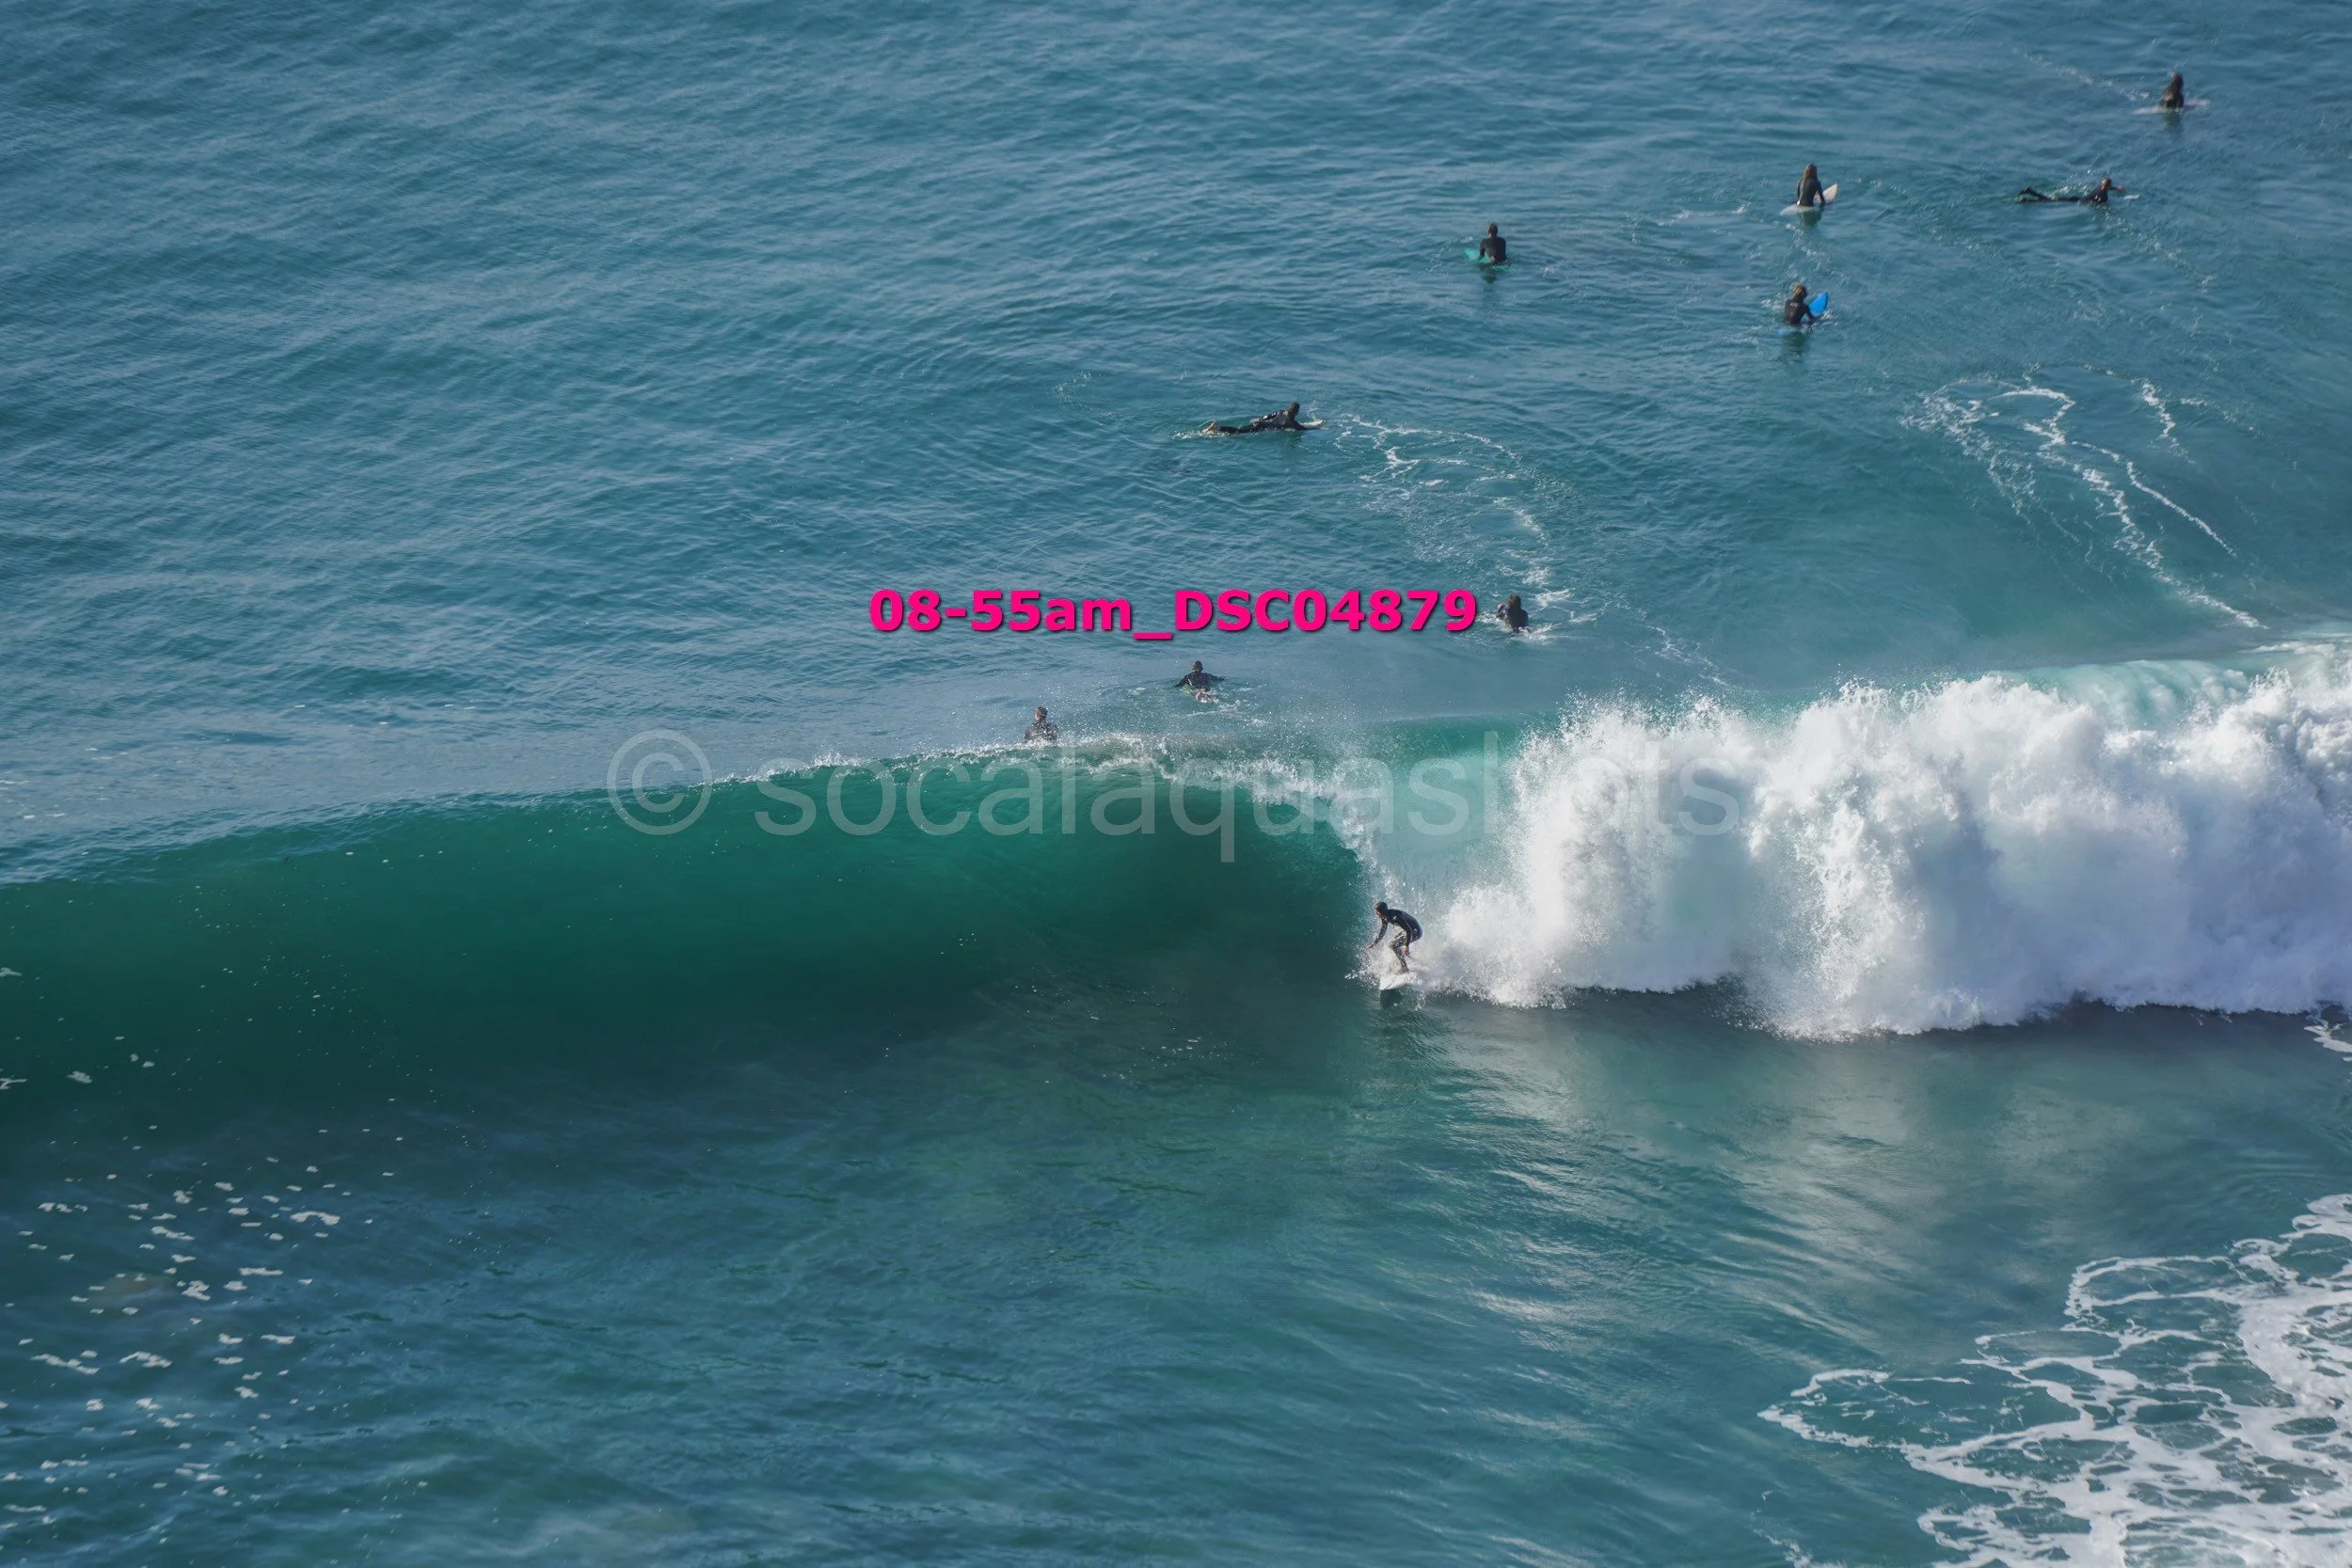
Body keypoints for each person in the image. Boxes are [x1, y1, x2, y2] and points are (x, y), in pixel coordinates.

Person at [1365, 900, 1422, 974]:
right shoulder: (1385, 916)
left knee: (1393, 945)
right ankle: (1411, 958)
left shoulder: (1395, 918)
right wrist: (1374, 944)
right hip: (1410, 930)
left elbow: (1409, 931)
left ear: (1382, 911)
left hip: (1415, 932)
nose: (1376, 914)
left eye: (1377, 912)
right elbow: (1383, 931)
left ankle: (1404, 968)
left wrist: (1406, 945)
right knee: (1392, 943)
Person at [1203, 402, 1320, 436]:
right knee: (1238, 432)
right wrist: (1317, 427)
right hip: (1261, 428)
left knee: (1239, 430)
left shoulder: (1280, 412)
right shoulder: (1292, 423)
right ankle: (1217, 427)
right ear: (1297, 412)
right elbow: (1303, 429)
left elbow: (1267, 416)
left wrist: (1261, 419)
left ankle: (1217, 428)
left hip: (1260, 423)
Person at [2017, 177, 2124, 205]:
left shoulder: (2100, 187)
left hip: (2075, 198)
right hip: (2075, 201)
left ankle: (2029, 195)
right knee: (2048, 201)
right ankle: (2028, 196)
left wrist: (2116, 188)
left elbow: (2107, 187)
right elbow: (2098, 203)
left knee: (2049, 200)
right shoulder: (2102, 196)